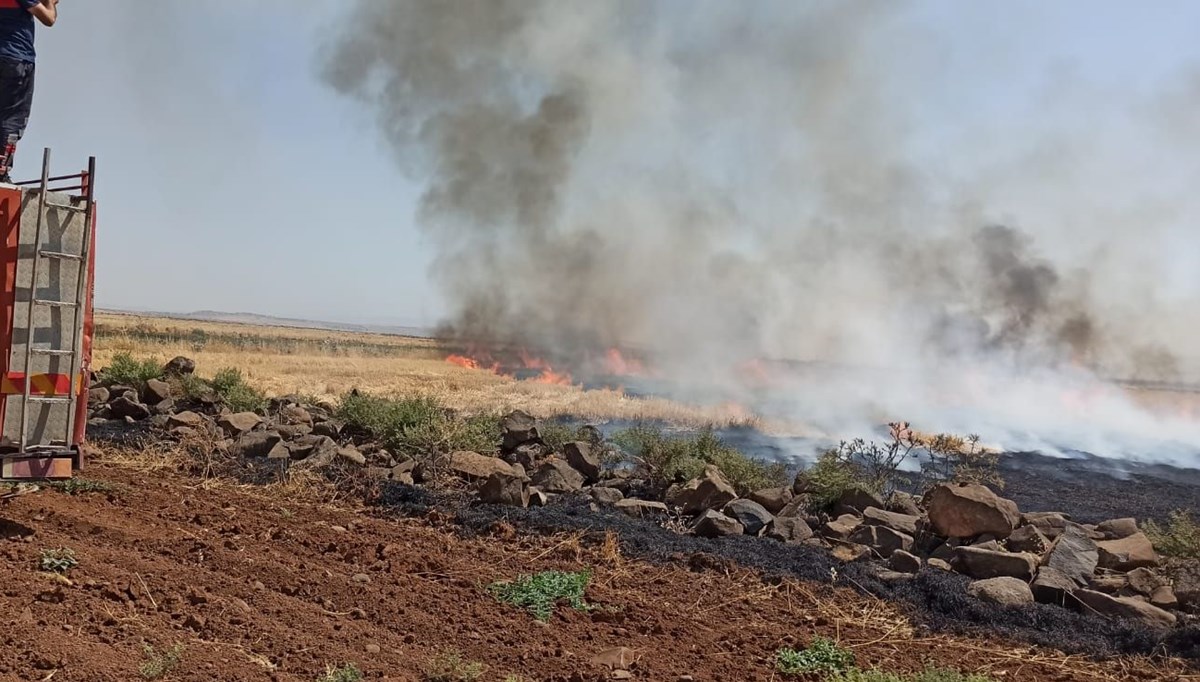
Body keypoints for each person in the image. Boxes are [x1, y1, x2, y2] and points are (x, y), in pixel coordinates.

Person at [0, 0, 56, 184]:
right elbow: (49, 18)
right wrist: (50, 2)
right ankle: (1, 171)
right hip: (16, 59)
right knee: (12, 118)